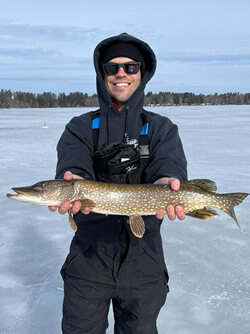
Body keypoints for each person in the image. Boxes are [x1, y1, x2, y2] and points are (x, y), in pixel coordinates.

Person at [49, 32, 187, 334]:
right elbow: (73, 166)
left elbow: (169, 166)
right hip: (88, 260)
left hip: (145, 261)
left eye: (130, 67)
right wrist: (71, 178)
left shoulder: (161, 128)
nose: (121, 74)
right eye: (112, 67)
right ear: (102, 74)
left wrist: (169, 182)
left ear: (142, 72)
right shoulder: (81, 127)